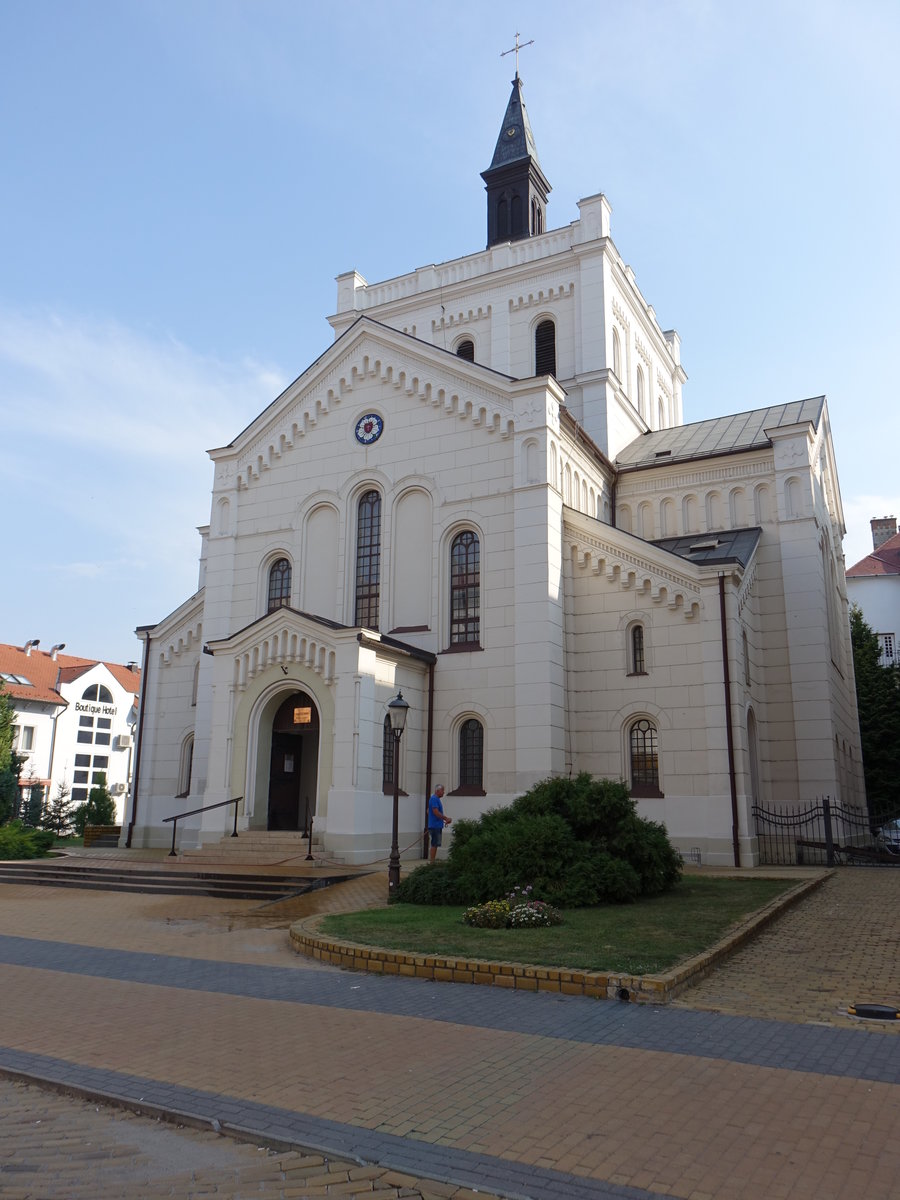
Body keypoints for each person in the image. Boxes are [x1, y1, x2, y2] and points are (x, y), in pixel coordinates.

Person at [427, 784, 451, 861]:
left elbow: (428, 811)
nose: (443, 792)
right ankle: (432, 862)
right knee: (434, 844)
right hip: (435, 826)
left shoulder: (435, 799)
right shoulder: (434, 799)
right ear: (438, 791)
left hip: (436, 825)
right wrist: (446, 818)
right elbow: (436, 812)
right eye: (442, 790)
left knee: (435, 844)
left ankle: (432, 861)